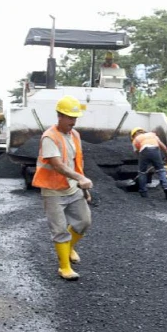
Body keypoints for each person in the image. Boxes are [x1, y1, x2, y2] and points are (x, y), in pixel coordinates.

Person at [31, 95, 94, 281]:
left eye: (75, 118)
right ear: (59, 116)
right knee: (59, 230)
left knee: (84, 222)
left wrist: (84, 188)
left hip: (73, 188)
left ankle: (70, 248)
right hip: (53, 191)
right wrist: (80, 178)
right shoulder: (49, 137)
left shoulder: (75, 135)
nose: (73, 122)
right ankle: (64, 267)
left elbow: (77, 163)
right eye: (69, 117)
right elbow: (58, 165)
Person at [130, 127, 167, 200]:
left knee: (142, 173)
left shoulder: (135, 140)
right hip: (156, 151)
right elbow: (164, 148)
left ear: (134, 134)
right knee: (161, 171)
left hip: (143, 152)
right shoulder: (152, 135)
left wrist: (144, 163)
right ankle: (165, 187)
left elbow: (138, 153)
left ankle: (143, 192)